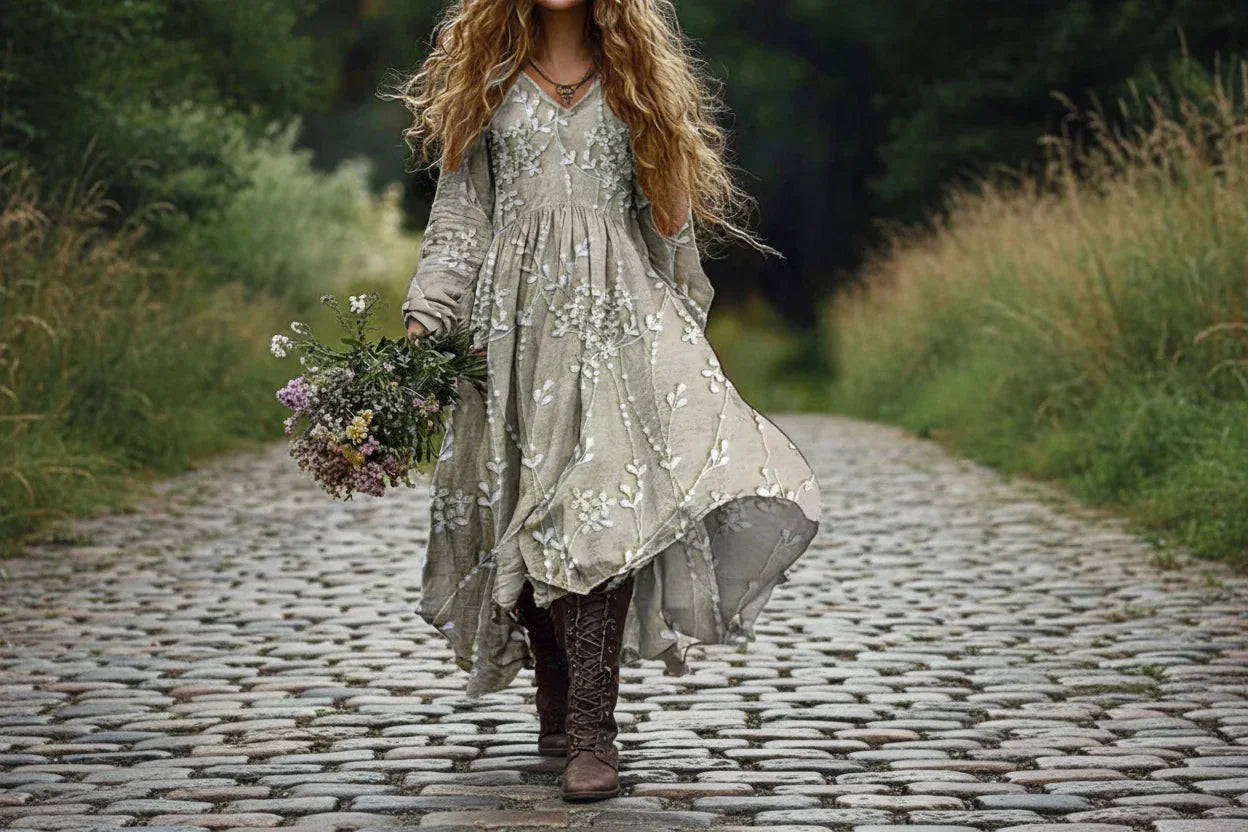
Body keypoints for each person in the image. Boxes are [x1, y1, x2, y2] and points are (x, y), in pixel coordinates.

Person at [382, 0, 821, 802]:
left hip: (618, 328)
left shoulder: (636, 81)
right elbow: (460, 216)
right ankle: (555, 706)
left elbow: (667, 226)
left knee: (598, 516)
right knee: (531, 513)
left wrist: (681, 324)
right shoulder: (483, 79)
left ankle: (593, 733)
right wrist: (426, 320)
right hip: (512, 336)